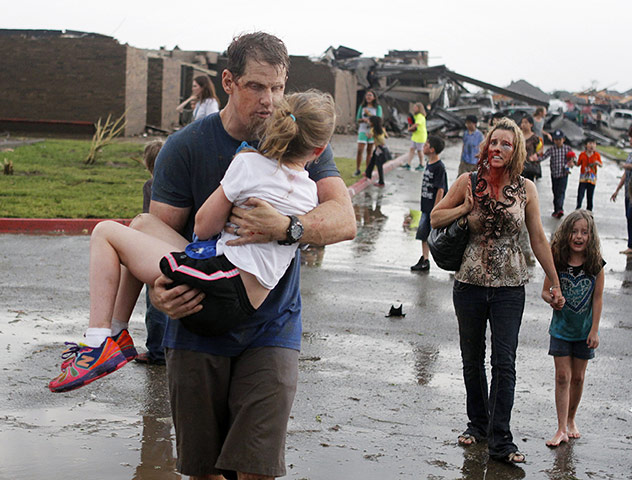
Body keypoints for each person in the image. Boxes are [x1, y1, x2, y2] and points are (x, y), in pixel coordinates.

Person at [148, 33, 356, 480]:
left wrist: (288, 228)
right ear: (229, 81)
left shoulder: (297, 138)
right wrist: (158, 291)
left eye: (278, 87)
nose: (271, 101)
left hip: (271, 326)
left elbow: (344, 219)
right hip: (196, 322)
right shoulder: (185, 147)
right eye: (258, 87)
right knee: (203, 471)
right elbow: (159, 234)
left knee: (257, 470)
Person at [48, 90, 336, 393]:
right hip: (247, 297)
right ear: (318, 151)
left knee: (105, 232)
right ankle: (117, 334)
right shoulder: (310, 195)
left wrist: (235, 177)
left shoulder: (249, 164)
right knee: (142, 224)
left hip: (220, 289)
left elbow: (202, 227)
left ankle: (96, 342)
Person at [430, 117, 564, 464]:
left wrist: (554, 281)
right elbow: (434, 218)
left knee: (504, 363)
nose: (498, 148)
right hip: (469, 284)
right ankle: (477, 425)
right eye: (494, 142)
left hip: (509, 287)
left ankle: (501, 440)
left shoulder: (526, 189)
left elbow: (537, 238)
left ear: (516, 150)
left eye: (506, 143)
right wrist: (463, 208)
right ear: (485, 146)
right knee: (471, 359)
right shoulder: (468, 182)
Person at [541, 210, 604, 447]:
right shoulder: (557, 259)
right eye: (575, 232)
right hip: (560, 329)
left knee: (577, 377)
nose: (579, 237)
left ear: (591, 236)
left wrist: (595, 330)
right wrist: (552, 300)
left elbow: (598, 299)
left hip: (584, 331)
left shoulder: (595, 263)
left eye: (584, 232)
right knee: (562, 376)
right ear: (566, 234)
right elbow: (545, 291)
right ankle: (560, 429)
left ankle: (571, 419)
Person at [138, 140, 169, 365]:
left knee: (155, 304)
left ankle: (156, 351)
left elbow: (146, 218)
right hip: (175, 247)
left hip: (154, 249)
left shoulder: (150, 185)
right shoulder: (177, 184)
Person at [411, 135, 447, 272]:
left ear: (432, 149)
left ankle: (449, 260)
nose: (423, 147)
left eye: (426, 145)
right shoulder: (429, 163)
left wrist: (436, 209)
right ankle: (425, 259)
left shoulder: (439, 167)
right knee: (423, 234)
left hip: (433, 208)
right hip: (426, 206)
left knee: (437, 237)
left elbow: (441, 189)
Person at [541, 129, 576, 218]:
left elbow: (573, 158)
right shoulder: (551, 149)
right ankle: (556, 209)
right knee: (555, 192)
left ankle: (560, 209)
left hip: (563, 174)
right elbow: (543, 157)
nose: (558, 142)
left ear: (563, 139)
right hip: (554, 174)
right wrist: (534, 159)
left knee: (561, 191)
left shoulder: (567, 149)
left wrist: (572, 162)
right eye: (556, 140)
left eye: (559, 140)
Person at [610, 126, 632, 255]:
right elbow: (625, 174)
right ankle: (630, 245)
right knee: (628, 217)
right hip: (628, 191)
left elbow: (628, 167)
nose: (630, 140)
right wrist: (617, 190)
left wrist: (627, 165)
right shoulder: (630, 154)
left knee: (631, 215)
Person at [354, 90, 382, 176]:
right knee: (360, 150)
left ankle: (367, 170)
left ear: (374, 97)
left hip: (372, 132)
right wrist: (363, 120)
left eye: (370, 95)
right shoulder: (362, 107)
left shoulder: (378, 108)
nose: (368, 97)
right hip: (362, 130)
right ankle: (357, 169)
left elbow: (378, 120)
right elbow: (357, 119)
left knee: (369, 151)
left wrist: (369, 118)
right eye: (367, 95)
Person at [575, 139, 602, 211]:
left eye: (593, 143)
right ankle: (578, 207)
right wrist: (573, 161)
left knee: (590, 195)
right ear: (586, 145)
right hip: (583, 178)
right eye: (590, 143)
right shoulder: (582, 154)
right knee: (580, 193)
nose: (592, 145)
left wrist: (597, 163)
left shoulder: (597, 155)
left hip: (592, 179)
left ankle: (589, 210)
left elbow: (600, 164)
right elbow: (578, 164)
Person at [400, 102, 427, 171]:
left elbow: (416, 124)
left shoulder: (420, 116)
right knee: (412, 149)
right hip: (415, 135)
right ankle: (408, 164)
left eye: (415, 107)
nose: (414, 109)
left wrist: (409, 128)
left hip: (420, 136)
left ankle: (421, 164)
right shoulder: (415, 116)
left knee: (419, 151)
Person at [364, 115, 389, 186]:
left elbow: (370, 136)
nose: (369, 122)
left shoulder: (373, 129)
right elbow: (387, 137)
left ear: (373, 122)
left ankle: (381, 182)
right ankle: (367, 173)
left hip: (379, 149)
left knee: (379, 164)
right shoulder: (382, 129)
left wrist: (366, 135)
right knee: (372, 161)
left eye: (370, 121)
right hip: (383, 147)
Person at [519, 115, 543, 182]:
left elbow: (541, 149)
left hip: (529, 167)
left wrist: (536, 155)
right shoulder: (518, 136)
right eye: (522, 123)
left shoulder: (534, 137)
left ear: (531, 124)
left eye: (526, 123)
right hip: (518, 166)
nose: (523, 125)